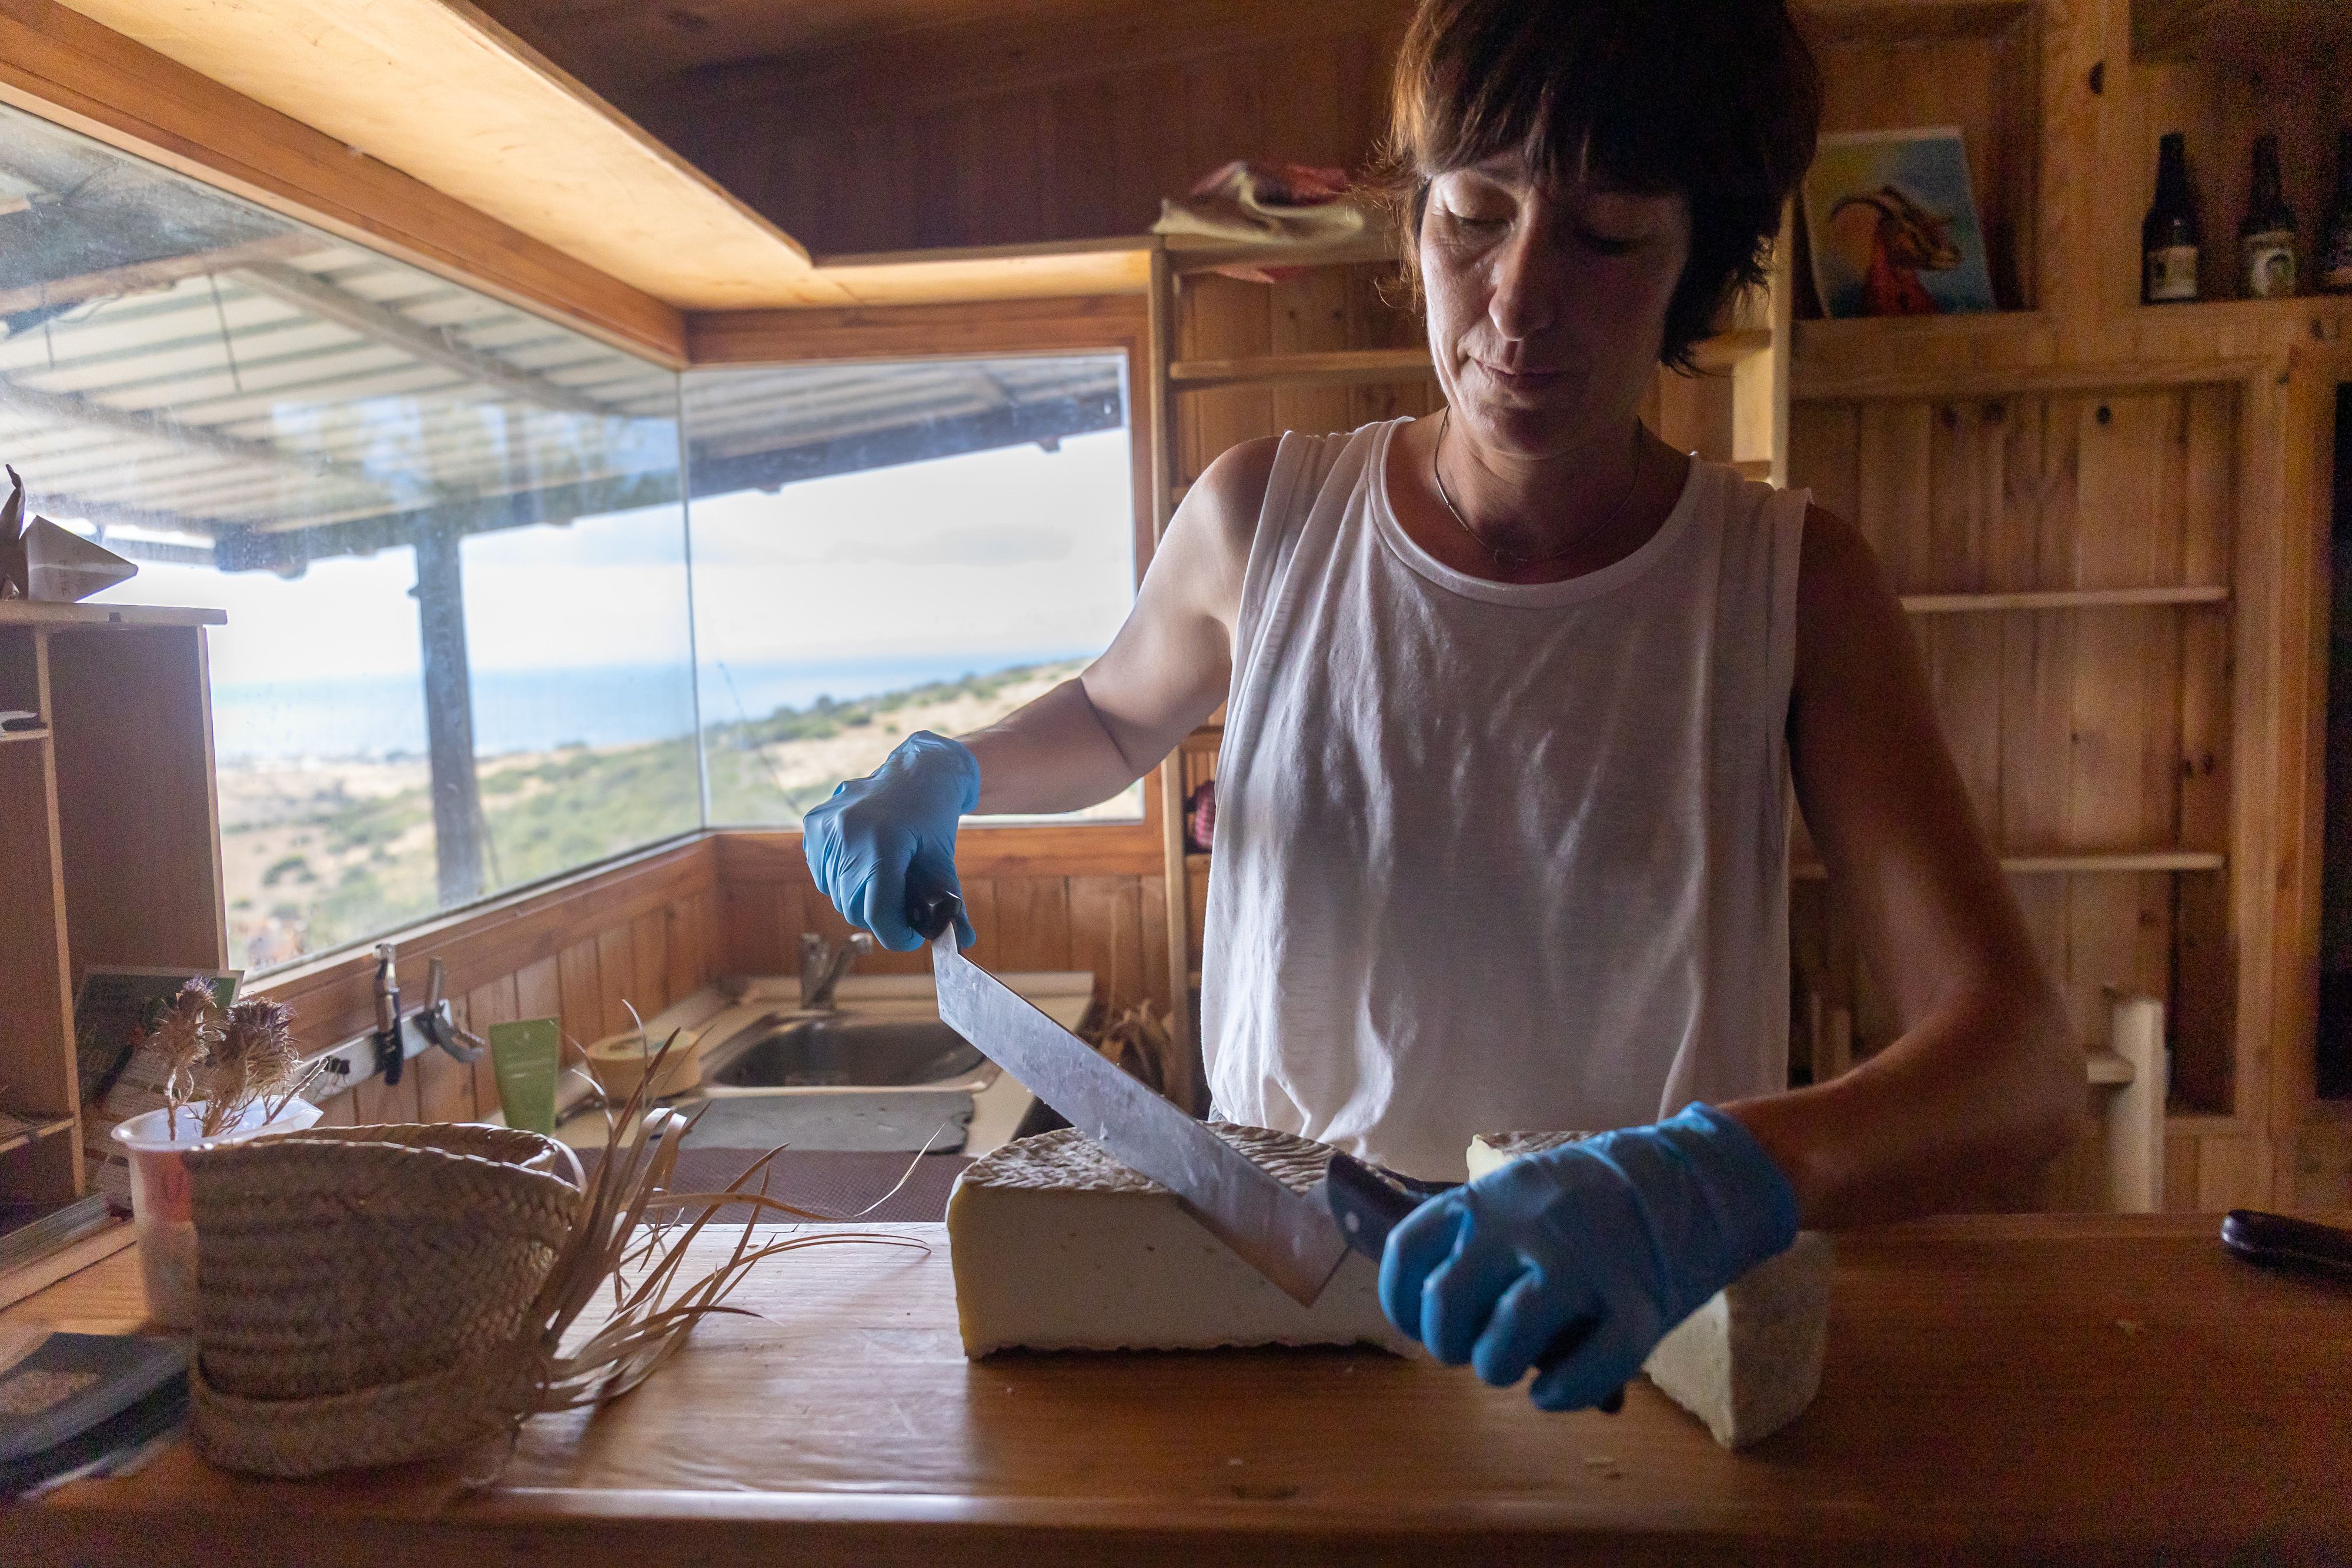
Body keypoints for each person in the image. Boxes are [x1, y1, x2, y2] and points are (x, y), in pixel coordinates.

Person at [804, 0, 2076, 1413]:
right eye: (1473, 217)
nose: (1517, 304)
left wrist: (1715, 1177)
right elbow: (1113, 718)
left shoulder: (1783, 582)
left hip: (1628, 1347)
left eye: (1605, 237)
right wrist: (949, 766)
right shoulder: (1264, 516)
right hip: (1278, 1317)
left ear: (1699, 267)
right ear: (1412, 221)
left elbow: (2015, 1063)